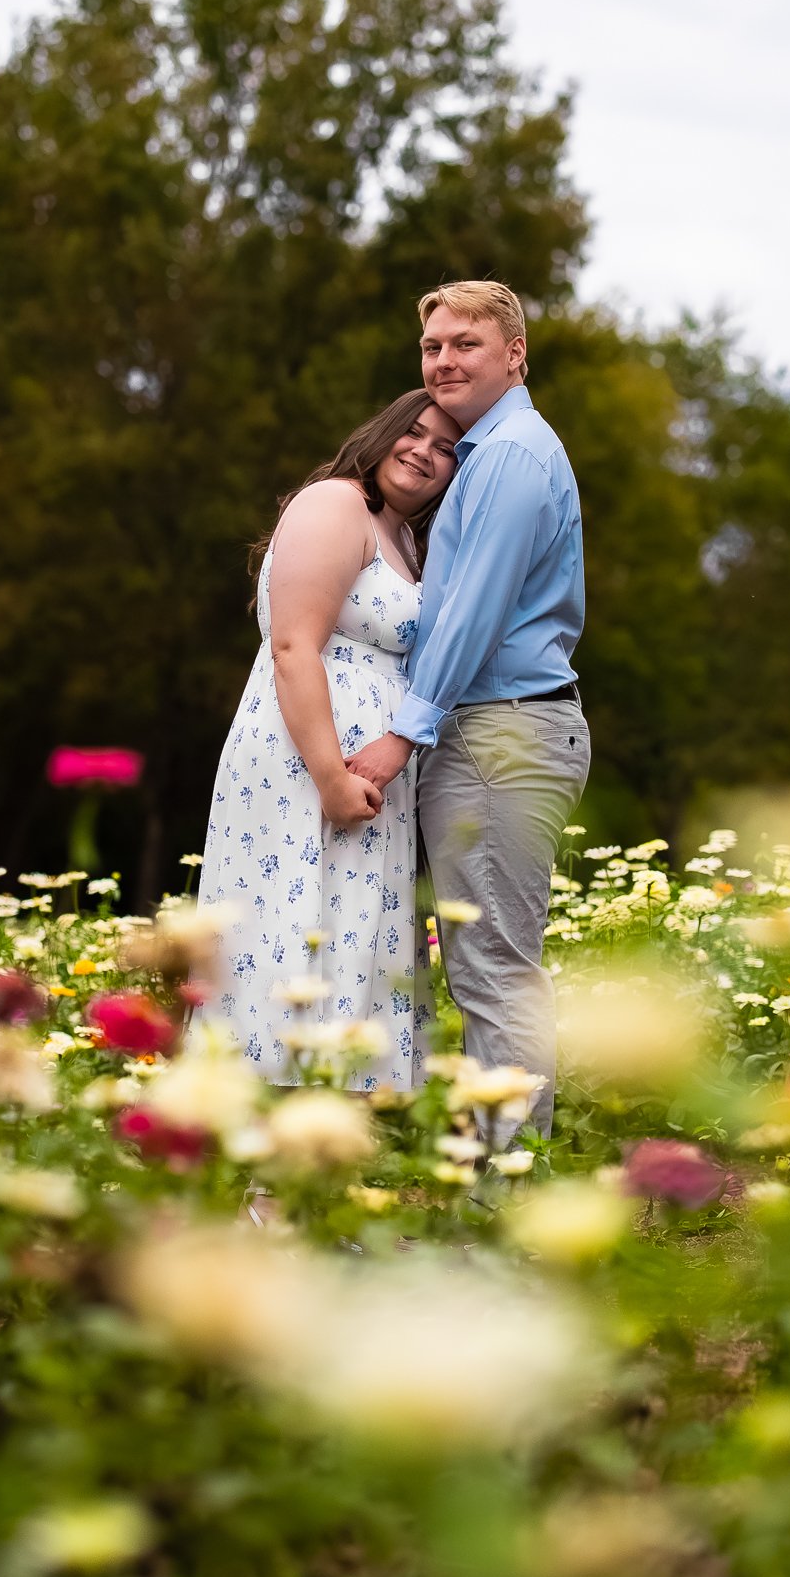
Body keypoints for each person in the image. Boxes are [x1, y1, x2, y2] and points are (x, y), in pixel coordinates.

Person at [347, 282, 590, 1137]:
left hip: (502, 732)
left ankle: (512, 1201)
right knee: (485, 968)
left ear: (515, 353)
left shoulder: (515, 456)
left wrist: (402, 733)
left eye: (466, 345)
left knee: (494, 971)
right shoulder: (491, 453)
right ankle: (503, 1178)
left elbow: (474, 614)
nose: (443, 361)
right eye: (432, 347)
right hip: (494, 732)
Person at [199, 390, 460, 1090]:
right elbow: (292, 646)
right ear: (383, 433)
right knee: (288, 922)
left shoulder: (404, 537)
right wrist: (329, 777)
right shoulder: (335, 503)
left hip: (365, 768)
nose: (424, 453)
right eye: (414, 433)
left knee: (349, 930)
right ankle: (258, 1159)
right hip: (306, 760)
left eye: (444, 449)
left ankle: (325, 1136)